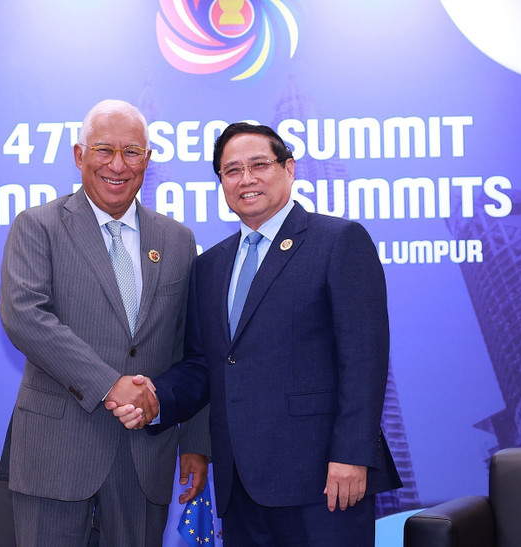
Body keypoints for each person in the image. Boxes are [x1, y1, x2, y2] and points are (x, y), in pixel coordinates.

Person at [108, 122, 402, 545]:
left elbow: (364, 359)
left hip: (324, 480)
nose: (246, 179)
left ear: (289, 169)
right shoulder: (209, 266)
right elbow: (201, 366)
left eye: (259, 164)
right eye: (231, 171)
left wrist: (352, 455)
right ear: (222, 183)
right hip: (240, 485)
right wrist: (154, 401)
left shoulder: (338, 241)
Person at [0, 99, 210, 547]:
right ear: (79, 156)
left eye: (132, 152)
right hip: (56, 452)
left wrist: (195, 440)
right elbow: (24, 315)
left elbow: (191, 349)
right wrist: (109, 384)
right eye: (104, 150)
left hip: (144, 457)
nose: (118, 165)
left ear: (147, 160)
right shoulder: (38, 226)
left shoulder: (177, 240)